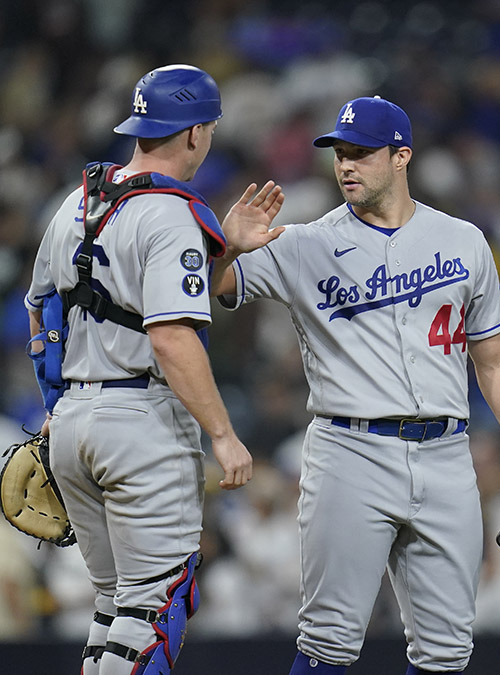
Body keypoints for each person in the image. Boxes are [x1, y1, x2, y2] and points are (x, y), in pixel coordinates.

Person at [211, 95, 500, 674]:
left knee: (447, 652)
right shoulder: (304, 243)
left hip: (447, 454)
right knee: (328, 641)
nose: (346, 165)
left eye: (362, 154)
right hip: (349, 450)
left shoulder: (462, 240)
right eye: (340, 154)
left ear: (401, 156)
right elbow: (208, 291)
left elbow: (497, 359)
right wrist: (225, 246)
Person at [24, 64, 283, 675]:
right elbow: (170, 337)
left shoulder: (79, 199)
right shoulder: (169, 214)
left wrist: (57, 410)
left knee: (114, 608)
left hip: (74, 424)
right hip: (139, 423)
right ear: (194, 134)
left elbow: (43, 316)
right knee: (154, 611)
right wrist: (222, 434)